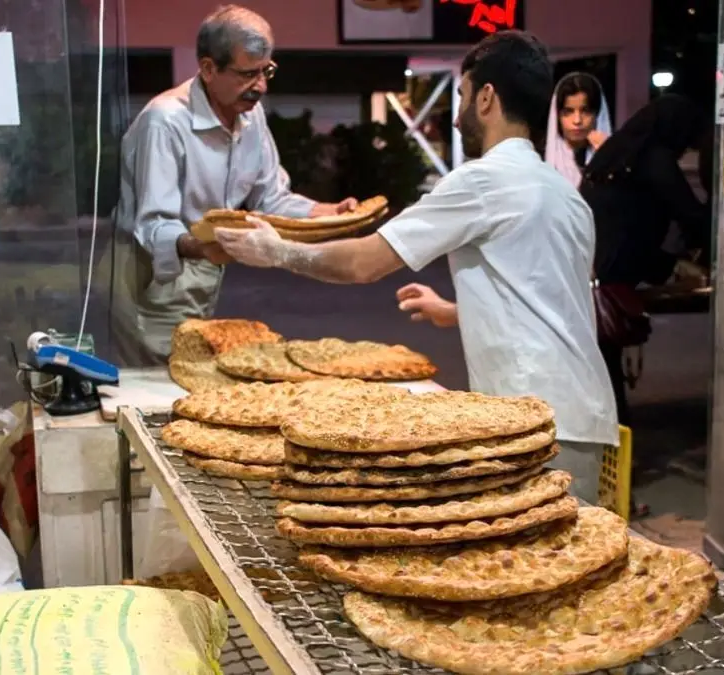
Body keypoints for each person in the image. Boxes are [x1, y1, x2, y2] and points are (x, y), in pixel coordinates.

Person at [213, 30, 619, 504]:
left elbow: (364, 263)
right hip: (584, 416)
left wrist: (278, 251)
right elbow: (548, 294)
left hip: (532, 420)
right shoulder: (563, 193)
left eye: (463, 96)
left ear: (486, 98)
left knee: (528, 566)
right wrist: (455, 309)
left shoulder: (484, 180)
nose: (460, 111)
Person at [111, 4, 358, 365]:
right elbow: (153, 225)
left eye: (266, 71)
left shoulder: (250, 114)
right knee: (160, 385)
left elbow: (270, 197)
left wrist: (326, 213)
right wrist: (205, 246)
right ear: (208, 69)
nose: (259, 87)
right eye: (247, 74)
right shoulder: (165, 122)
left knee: (193, 374)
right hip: (153, 276)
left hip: (205, 265)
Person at [577, 93, 712, 426]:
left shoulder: (613, 152)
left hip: (589, 266)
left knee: (602, 367)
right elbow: (690, 214)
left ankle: (608, 444)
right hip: (614, 273)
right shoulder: (655, 159)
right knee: (607, 369)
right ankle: (613, 445)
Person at [544, 72, 611, 188]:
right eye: (568, 112)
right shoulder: (540, 159)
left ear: (598, 114)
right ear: (557, 116)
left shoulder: (617, 159)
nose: (577, 120)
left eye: (585, 111)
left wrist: (607, 157)